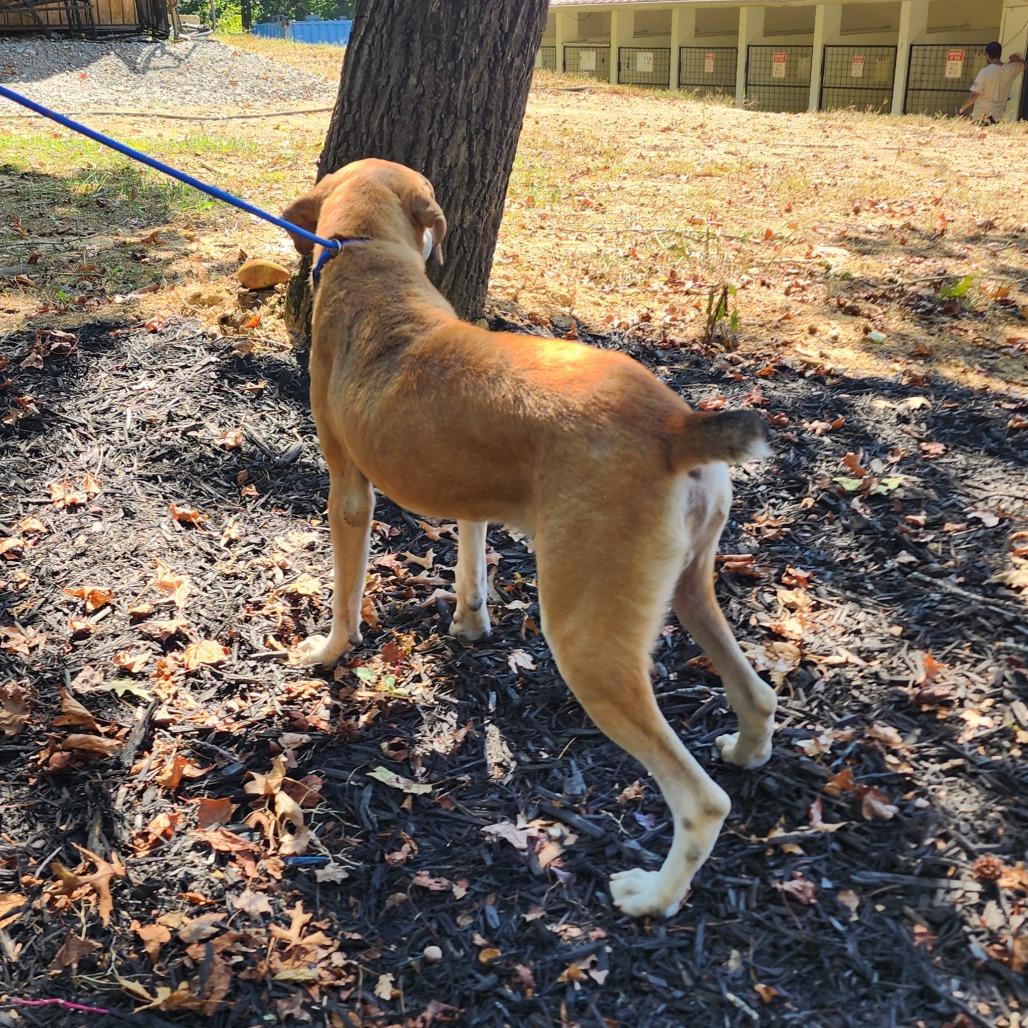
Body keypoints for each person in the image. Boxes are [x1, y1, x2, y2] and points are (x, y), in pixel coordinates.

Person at [957, 43, 1025, 123]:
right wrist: (1017, 60)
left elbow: (974, 95)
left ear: (987, 55)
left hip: (981, 117)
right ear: (999, 54)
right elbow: (1025, 65)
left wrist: (960, 111)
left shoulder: (984, 72)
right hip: (998, 117)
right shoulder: (1011, 69)